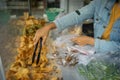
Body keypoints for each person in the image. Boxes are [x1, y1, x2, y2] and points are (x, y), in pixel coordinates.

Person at [34, 0, 120, 53]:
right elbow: (78, 15)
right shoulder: (101, 2)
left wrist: (90, 41)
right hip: (98, 54)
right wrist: (49, 26)